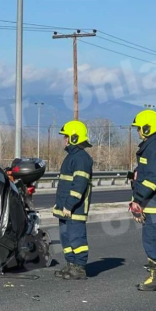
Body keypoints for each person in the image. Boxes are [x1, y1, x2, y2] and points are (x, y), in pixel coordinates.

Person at [130, 110, 156, 292]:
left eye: (139, 128)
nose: (138, 131)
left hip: (152, 203)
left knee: (151, 240)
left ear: (147, 128)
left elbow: (153, 177)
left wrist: (138, 199)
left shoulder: (152, 148)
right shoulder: (153, 147)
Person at [52, 120, 93, 281]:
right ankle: (71, 264)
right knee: (65, 237)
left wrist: (69, 205)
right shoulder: (72, 157)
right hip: (65, 208)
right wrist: (60, 205)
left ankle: (79, 267)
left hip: (75, 209)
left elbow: (79, 185)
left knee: (77, 237)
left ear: (74, 138)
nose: (64, 140)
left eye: (66, 137)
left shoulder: (81, 158)